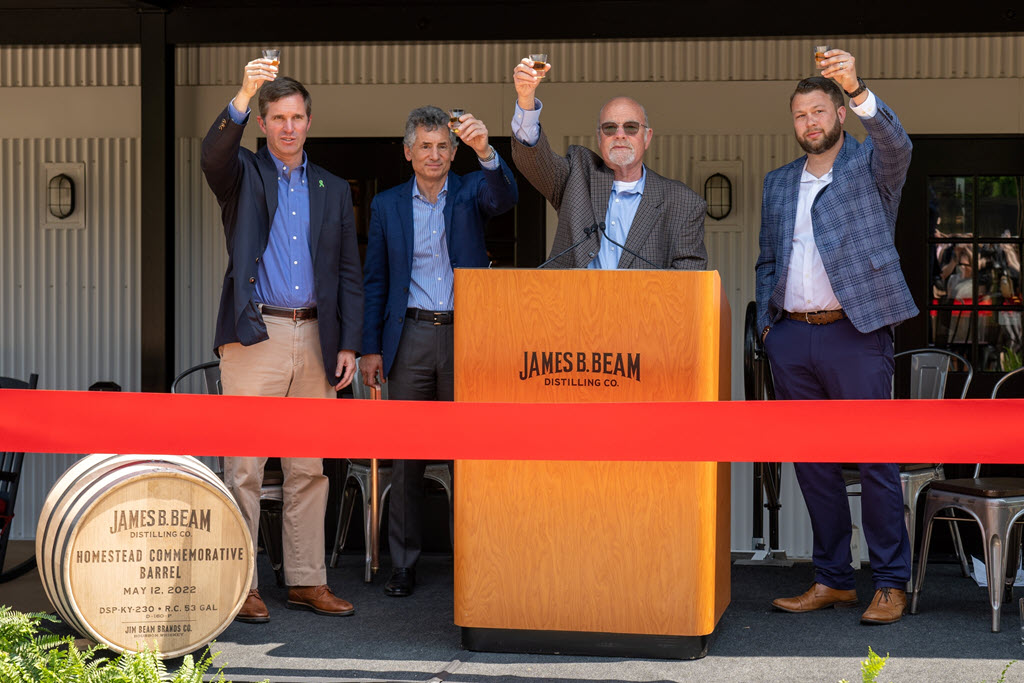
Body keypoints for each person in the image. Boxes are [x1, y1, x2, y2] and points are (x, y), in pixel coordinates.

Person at [755, 48, 918, 625]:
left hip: (857, 332)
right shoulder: (778, 183)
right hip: (792, 339)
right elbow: (767, 259)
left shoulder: (871, 166)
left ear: (839, 115)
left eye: (819, 112)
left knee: (876, 460)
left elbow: (900, 145)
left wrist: (857, 86)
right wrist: (768, 330)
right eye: (800, 115)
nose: (810, 124)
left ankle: (892, 582)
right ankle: (833, 578)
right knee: (812, 465)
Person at [201, 57, 363, 622]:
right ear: (264, 123)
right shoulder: (245, 174)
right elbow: (212, 155)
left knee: (308, 467)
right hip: (257, 335)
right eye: (277, 117)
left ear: (309, 121)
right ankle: (241, 583)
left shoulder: (333, 188)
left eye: (297, 117)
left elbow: (347, 271)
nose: (288, 127)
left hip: (316, 337)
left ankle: (306, 581)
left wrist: (348, 343)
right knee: (243, 465)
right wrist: (243, 93)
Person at [360, 105, 518, 597]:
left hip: (463, 336)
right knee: (405, 455)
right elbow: (375, 281)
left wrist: (486, 150)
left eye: (443, 146)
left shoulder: (471, 190)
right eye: (425, 146)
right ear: (408, 153)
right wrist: (369, 349)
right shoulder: (386, 205)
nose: (434, 154)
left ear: (453, 153)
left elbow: (506, 196)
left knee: (467, 454)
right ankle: (403, 564)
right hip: (407, 338)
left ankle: (471, 558)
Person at [510, 58, 706, 270]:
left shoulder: (683, 203)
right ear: (599, 138)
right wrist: (526, 99)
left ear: (647, 137)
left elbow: (690, 281)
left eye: (631, 127)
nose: (620, 135)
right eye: (610, 128)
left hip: (642, 303)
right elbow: (534, 161)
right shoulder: (577, 177)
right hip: (574, 302)